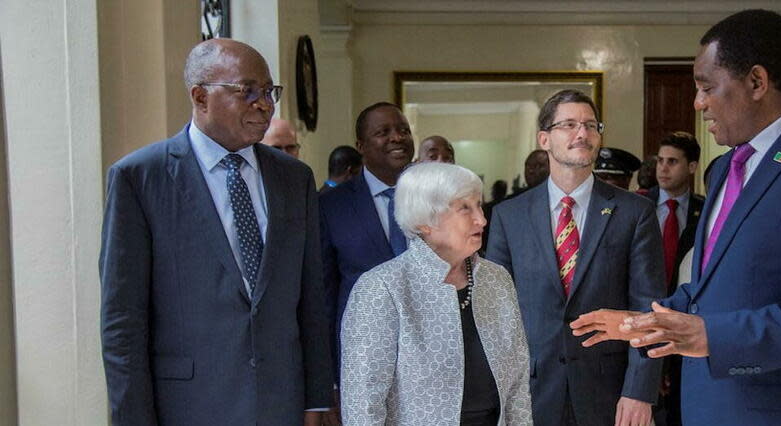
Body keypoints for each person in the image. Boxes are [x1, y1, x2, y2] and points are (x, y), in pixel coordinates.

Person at [571, 9, 781, 426]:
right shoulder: (724, 169)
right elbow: (712, 288)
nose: (697, 102)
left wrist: (713, 336)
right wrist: (646, 322)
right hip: (714, 407)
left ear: (757, 82)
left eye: (707, 88)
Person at [99, 39, 333, 425]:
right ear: (200, 96)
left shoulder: (294, 178)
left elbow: (310, 297)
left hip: (281, 404)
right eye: (247, 91)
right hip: (188, 406)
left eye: (269, 91)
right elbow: (122, 320)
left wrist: (316, 400)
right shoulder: (140, 178)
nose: (264, 103)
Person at [486, 89, 664, 426]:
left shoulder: (634, 212)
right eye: (568, 124)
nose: (582, 133)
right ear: (544, 139)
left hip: (610, 393)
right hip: (531, 392)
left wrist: (640, 391)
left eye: (590, 125)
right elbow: (496, 314)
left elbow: (648, 308)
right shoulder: (509, 216)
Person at [342, 162, 532, 425]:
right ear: (425, 222)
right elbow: (363, 406)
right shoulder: (381, 288)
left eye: (479, 204)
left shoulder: (496, 279)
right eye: (465, 208)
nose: (482, 219)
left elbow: (519, 387)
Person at [319, 102, 414, 392]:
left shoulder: (438, 198)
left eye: (403, 130)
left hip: (431, 361)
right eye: (383, 132)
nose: (397, 138)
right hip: (362, 362)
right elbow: (324, 295)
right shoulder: (331, 206)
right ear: (361, 145)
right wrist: (328, 380)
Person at [648, 131, 704, 426]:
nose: (663, 169)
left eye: (673, 162)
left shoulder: (705, 211)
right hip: (645, 318)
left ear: (691, 167)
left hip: (684, 320)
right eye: (660, 161)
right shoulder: (638, 207)